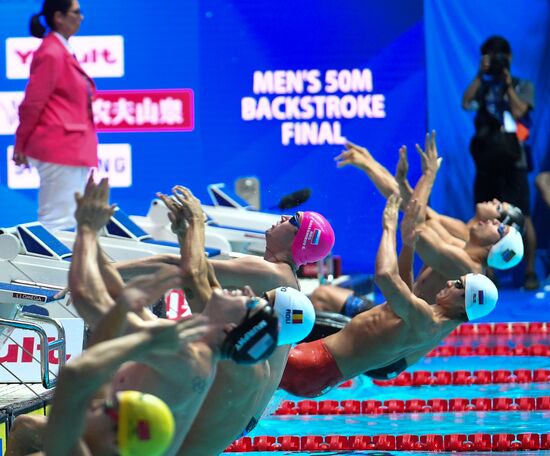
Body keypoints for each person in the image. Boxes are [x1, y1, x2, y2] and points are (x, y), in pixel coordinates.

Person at [8, 174, 286, 456]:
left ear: (229, 329)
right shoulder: (192, 350)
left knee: (32, 431)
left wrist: (87, 232)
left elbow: (89, 308)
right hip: (133, 445)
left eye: (253, 303)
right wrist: (95, 249)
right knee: (28, 427)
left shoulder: (184, 355)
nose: (249, 291)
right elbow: (116, 302)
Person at [280, 194, 499, 397]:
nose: (451, 282)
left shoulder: (426, 317)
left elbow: (385, 276)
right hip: (319, 372)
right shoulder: (434, 322)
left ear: (464, 306)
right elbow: (403, 289)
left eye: (459, 285)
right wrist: (408, 246)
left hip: (312, 363)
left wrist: (389, 227)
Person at [155, 187, 318, 456]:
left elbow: (191, 273)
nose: (243, 294)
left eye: (254, 302)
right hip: (242, 414)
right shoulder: (286, 286)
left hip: (225, 408)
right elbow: (198, 280)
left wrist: (194, 225)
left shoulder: (273, 275)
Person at [311, 133, 522, 317]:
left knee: (322, 297)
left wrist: (429, 175)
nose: (494, 217)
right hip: (399, 312)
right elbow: (411, 206)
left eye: (499, 222)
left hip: (402, 326)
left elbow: (415, 223)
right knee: (323, 298)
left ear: (494, 247)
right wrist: (372, 165)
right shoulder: (458, 245)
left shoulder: (465, 266)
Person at [12, 0, 97, 231]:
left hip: (70, 148)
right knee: (58, 223)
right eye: (76, 12)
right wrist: (20, 144)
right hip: (59, 148)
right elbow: (32, 103)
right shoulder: (51, 52)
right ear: (58, 17)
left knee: (69, 221)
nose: (82, 17)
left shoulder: (61, 50)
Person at [462, 35, 538, 290]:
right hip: (486, 161)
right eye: (490, 57)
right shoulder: (482, 86)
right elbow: (465, 103)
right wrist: (479, 75)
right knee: (485, 219)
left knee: (523, 216)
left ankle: (529, 272)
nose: (495, 61)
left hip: (514, 161)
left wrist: (506, 86)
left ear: (510, 58)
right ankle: (489, 273)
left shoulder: (521, 85)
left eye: (498, 57)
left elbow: (519, 112)